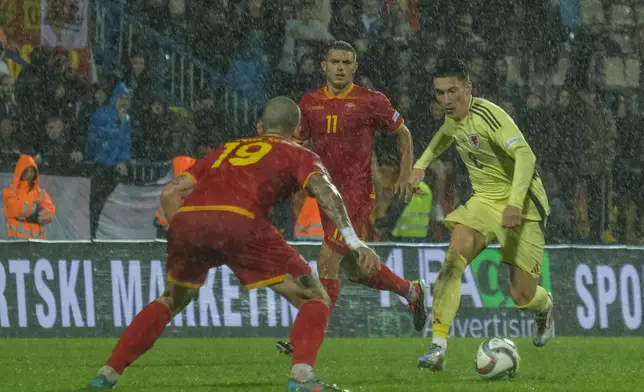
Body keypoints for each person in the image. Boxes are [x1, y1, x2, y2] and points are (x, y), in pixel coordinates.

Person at [88, 97, 382, 392]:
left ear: (262, 126)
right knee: (315, 297)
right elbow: (325, 192)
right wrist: (354, 241)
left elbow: (171, 192)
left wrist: (193, 232)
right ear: (297, 129)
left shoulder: (226, 149)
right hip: (241, 221)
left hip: (188, 221)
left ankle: (106, 376)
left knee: (170, 300)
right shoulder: (299, 153)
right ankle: (302, 379)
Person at [276, 40, 429, 357]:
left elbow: (403, 133)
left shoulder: (370, 101)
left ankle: (308, 336)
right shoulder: (309, 103)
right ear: (324, 66)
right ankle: (412, 292)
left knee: (327, 261)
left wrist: (404, 174)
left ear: (355, 68)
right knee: (356, 270)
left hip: (357, 194)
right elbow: (297, 143)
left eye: (347, 62)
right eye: (335, 62)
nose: (341, 67)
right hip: (325, 193)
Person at [405, 58, 554, 371]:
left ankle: (545, 308)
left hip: (522, 204)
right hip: (484, 202)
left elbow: (525, 154)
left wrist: (514, 202)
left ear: (468, 89)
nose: (445, 100)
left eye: (452, 91)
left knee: (521, 296)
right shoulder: (454, 118)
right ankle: (437, 347)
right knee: (451, 262)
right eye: (439, 93)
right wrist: (420, 166)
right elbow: (444, 135)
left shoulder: (489, 115)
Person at [2, 154, 56, 239]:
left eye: (32, 171)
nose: (29, 174)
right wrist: (36, 210)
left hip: (38, 243)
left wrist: (44, 216)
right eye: (26, 171)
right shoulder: (10, 191)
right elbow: (15, 210)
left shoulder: (41, 193)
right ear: (20, 172)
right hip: (16, 241)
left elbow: (50, 211)